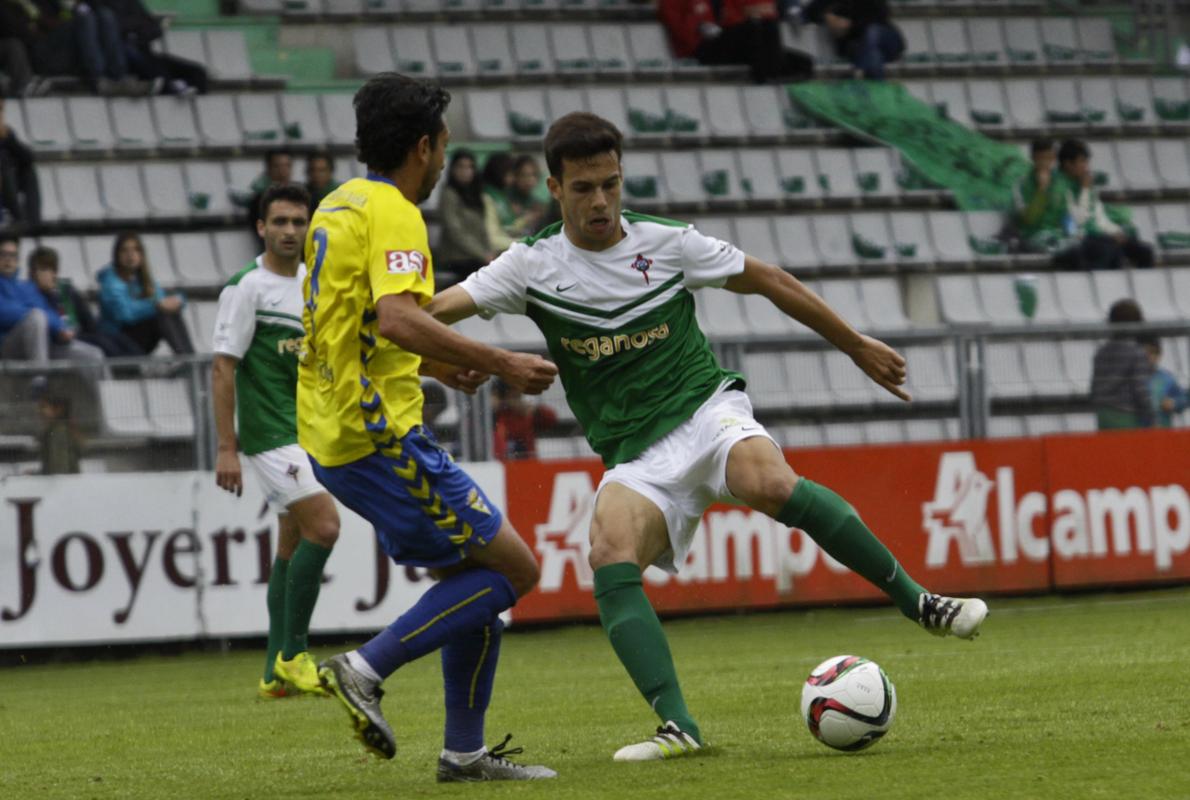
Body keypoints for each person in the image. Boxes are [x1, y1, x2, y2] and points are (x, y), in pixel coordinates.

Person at [427, 111, 989, 762]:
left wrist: (854, 344)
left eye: (611, 183)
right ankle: (679, 727)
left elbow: (770, 281)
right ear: (554, 189)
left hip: (704, 410)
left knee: (767, 480)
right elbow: (425, 316)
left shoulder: (667, 244)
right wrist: (435, 357)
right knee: (609, 550)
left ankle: (920, 602)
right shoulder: (529, 266)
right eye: (584, 188)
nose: (601, 201)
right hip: (635, 454)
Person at [298, 72, 559, 782]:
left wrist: (436, 369)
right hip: (378, 437)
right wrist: (499, 358)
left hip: (334, 428)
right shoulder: (396, 212)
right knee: (513, 569)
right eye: (442, 146)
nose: (444, 160)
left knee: (470, 581)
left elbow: (350, 324)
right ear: (422, 146)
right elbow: (399, 315)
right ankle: (362, 668)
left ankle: (464, 754)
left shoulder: (336, 204)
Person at [211, 183, 342, 700]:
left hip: (310, 427)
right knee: (326, 526)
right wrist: (227, 446)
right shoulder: (246, 287)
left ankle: (272, 673)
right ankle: (295, 655)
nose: (291, 231)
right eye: (280, 222)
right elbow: (223, 369)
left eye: (299, 221)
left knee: (290, 542)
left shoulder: (313, 280)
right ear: (261, 227)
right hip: (271, 433)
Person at [0, 234, 105, 380]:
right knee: (36, 317)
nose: (8, 259)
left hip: (42, 343)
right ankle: (40, 377)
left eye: (13, 255)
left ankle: (109, 399)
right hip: (9, 348)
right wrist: (35, 314)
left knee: (93, 355)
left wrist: (60, 328)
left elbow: (48, 312)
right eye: (3, 254)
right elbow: (5, 313)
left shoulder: (26, 287)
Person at [1053, 139, 1154, 271]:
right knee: (1109, 250)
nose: (1086, 167)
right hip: (1080, 238)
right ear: (1067, 164)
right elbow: (1077, 221)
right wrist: (1084, 190)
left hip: (1099, 236)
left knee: (1145, 252)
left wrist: (1115, 231)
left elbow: (1099, 217)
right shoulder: (1060, 187)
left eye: (1086, 162)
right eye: (1082, 162)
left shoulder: (1086, 184)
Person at [658, 0, 813, 83]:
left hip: (726, 41)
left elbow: (733, 19)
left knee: (804, 62)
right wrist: (699, 26)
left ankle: (772, 69)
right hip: (701, 48)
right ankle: (766, 73)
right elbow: (677, 25)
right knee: (752, 28)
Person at [28, 245, 138, 357]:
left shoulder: (65, 289)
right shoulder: (31, 295)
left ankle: (143, 364)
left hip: (82, 333)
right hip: (62, 341)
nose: (51, 275)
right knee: (103, 344)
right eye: (44, 270)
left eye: (53, 270)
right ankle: (127, 369)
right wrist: (50, 295)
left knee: (119, 339)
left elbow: (87, 318)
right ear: (33, 273)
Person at [96, 231, 194, 356]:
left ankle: (189, 357)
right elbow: (125, 314)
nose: (130, 255)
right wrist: (156, 305)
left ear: (142, 255)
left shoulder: (143, 279)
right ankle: (187, 359)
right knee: (160, 314)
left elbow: (162, 301)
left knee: (168, 313)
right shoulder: (110, 282)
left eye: (136, 250)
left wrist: (180, 300)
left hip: (138, 340)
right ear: (117, 255)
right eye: (124, 251)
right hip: (117, 341)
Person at [101, 0, 207, 95]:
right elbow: (116, 31)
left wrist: (136, 33)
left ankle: (180, 86)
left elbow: (154, 29)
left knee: (198, 73)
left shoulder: (131, 3)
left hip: (145, 53)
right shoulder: (102, 8)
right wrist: (136, 29)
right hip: (127, 59)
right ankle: (174, 87)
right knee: (160, 76)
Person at [1091, 299, 1155, 430]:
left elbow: (1095, 385)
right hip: (1127, 413)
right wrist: (1150, 413)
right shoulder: (1136, 352)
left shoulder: (1101, 351)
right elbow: (1140, 387)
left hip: (1103, 413)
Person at [800, 0, 903, 79]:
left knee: (872, 32)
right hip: (860, 47)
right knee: (873, 57)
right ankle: (863, 76)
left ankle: (859, 70)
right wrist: (827, 17)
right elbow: (809, 12)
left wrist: (850, 25)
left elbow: (879, 16)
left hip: (885, 40)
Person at [437, 149, 498, 278]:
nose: (466, 171)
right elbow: (456, 232)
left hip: (477, 256)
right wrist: (483, 255)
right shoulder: (449, 194)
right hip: (456, 257)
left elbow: (483, 229)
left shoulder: (475, 195)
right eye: (461, 167)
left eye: (470, 167)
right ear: (452, 169)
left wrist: (489, 252)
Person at [1012, 139, 1068, 254]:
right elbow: (1029, 220)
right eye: (1040, 158)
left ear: (1053, 159)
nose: (1044, 162)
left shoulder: (1061, 184)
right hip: (1031, 236)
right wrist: (1041, 190)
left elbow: (1067, 216)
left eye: (1049, 158)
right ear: (1033, 158)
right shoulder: (1021, 184)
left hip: (1057, 235)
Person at [0, 97, 41, 228]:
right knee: (4, 161)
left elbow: (28, 157)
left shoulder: (6, 133)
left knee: (28, 171)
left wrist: (9, 139)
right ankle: (18, 217)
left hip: (5, 182)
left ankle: (34, 220)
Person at [492, 379, 557, 460]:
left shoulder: (525, 414)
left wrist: (535, 410)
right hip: (503, 465)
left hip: (526, 463)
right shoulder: (496, 415)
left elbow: (551, 419)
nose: (516, 399)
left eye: (517, 396)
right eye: (513, 395)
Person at [1139, 335, 1188, 428]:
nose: (1149, 357)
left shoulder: (1166, 378)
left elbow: (1184, 399)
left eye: (1153, 352)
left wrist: (1173, 403)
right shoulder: (1133, 378)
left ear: (1159, 354)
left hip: (1162, 431)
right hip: (1137, 433)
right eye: (1145, 352)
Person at [247, 149, 294, 239]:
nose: (282, 171)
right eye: (277, 166)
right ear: (268, 168)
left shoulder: (303, 197)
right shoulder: (259, 201)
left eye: (287, 166)